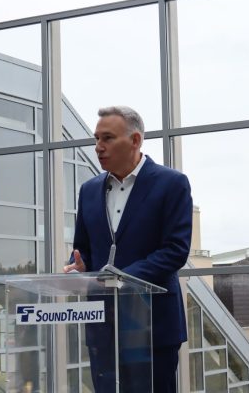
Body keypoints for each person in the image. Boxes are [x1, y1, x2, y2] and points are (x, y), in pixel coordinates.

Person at [64, 105, 192, 393]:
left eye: (107, 138)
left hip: (153, 325)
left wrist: (120, 278)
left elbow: (175, 250)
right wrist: (78, 266)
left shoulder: (172, 184)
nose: (98, 147)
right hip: (103, 329)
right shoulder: (88, 190)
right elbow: (82, 250)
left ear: (135, 140)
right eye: (96, 138)